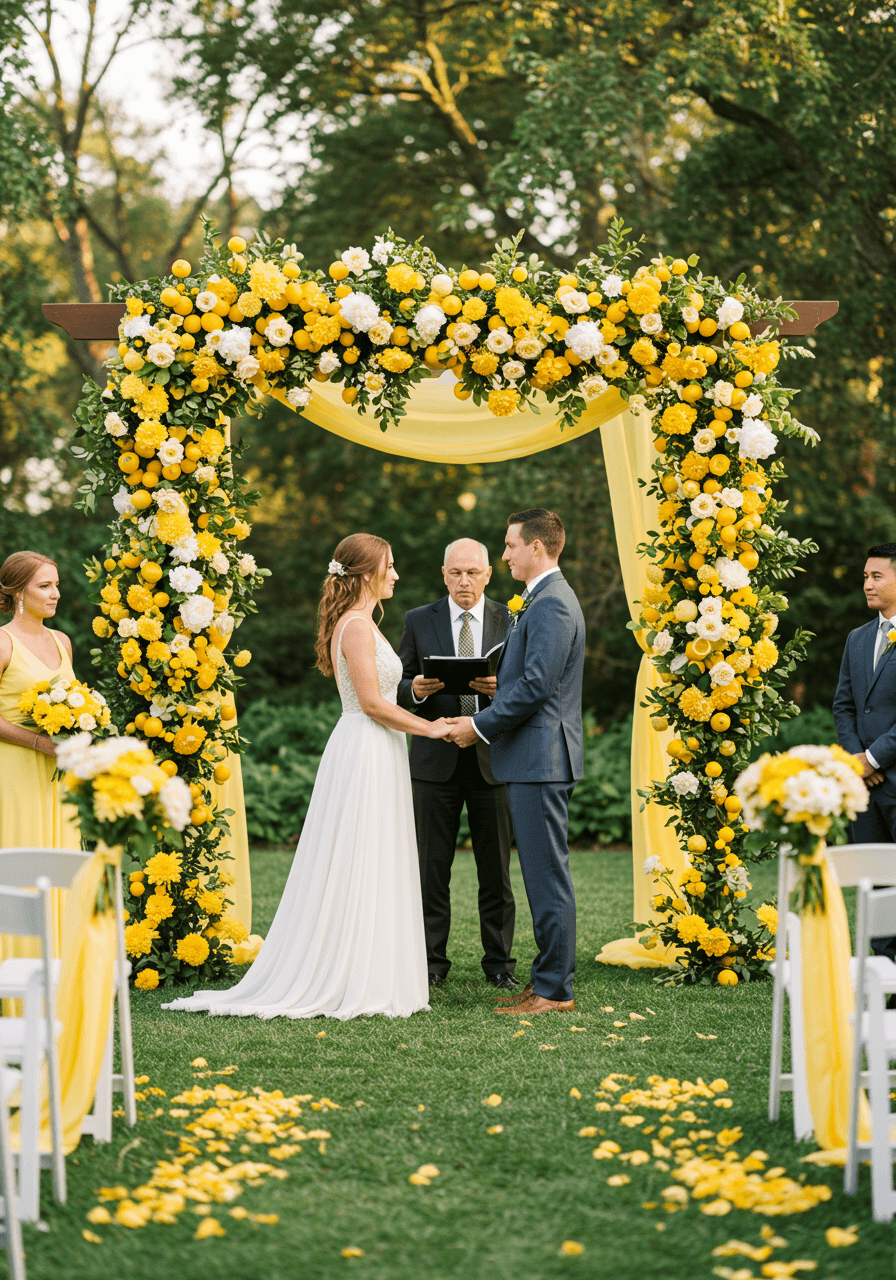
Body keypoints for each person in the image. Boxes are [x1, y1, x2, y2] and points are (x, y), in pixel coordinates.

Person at [164, 533, 449, 1021]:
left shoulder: (363, 622)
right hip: (365, 747)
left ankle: (373, 968)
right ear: (365, 574)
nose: (397, 574)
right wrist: (433, 728)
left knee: (376, 853)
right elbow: (374, 704)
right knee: (360, 855)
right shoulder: (357, 627)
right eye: (391, 566)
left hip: (378, 747)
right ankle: (349, 973)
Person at [445, 509, 585, 1017]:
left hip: (540, 759)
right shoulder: (542, 599)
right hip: (534, 759)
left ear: (537, 548)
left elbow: (535, 688)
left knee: (547, 879)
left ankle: (554, 991)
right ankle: (545, 981)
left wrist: (476, 725)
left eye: (509, 546)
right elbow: (525, 678)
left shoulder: (551, 604)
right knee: (541, 877)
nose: (503, 556)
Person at [397, 538, 516, 990]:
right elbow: (397, 682)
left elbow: (526, 683)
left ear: (488, 574)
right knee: (430, 869)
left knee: (497, 870)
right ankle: (430, 964)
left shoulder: (512, 618)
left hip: (492, 759)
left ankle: (500, 963)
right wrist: (417, 690)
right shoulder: (417, 620)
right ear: (443, 574)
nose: (464, 581)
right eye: (455, 573)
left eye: (472, 573)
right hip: (434, 760)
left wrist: (498, 690)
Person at [0, 550, 79, 975]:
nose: (55, 594)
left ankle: (58, 975)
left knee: (59, 861)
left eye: (57, 584)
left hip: (59, 774)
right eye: (44, 586)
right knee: (20, 860)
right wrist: (37, 742)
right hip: (14, 771)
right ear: (18, 593)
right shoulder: (2, 642)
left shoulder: (61, 641)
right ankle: (13, 973)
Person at [833, 541, 896, 960]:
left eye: (877, 576)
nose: (867, 584)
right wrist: (857, 761)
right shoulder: (857, 639)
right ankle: (881, 979)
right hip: (865, 790)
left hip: (890, 776)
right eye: (865, 576)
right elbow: (844, 705)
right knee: (874, 887)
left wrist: (873, 759)